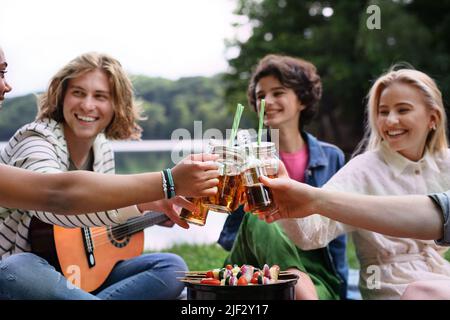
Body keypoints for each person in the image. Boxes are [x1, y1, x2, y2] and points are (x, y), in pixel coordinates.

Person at [0, 51, 219, 300]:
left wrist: (149, 210)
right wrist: (165, 184)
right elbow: (58, 200)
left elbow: (99, 223)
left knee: (171, 267)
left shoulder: (102, 148)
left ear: (117, 106)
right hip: (24, 277)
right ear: (61, 98)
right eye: (78, 93)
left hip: (77, 278)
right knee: (18, 268)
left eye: (100, 96)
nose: (87, 105)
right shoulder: (34, 140)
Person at [263, 67, 450, 299]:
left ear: (433, 118)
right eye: (383, 111)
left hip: (442, 276)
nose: (390, 121)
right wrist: (284, 200)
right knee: (421, 291)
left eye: (403, 109)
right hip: (393, 287)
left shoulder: (446, 163)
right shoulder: (363, 169)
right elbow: (312, 233)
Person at [219, 54, 349, 300]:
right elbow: (232, 235)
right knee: (260, 216)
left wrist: (341, 291)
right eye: (260, 96)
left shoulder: (332, 157)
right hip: (253, 264)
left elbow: (337, 235)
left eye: (278, 93)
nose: (267, 101)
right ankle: (296, 288)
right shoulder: (243, 155)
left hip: (315, 269)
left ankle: (297, 289)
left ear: (302, 100)